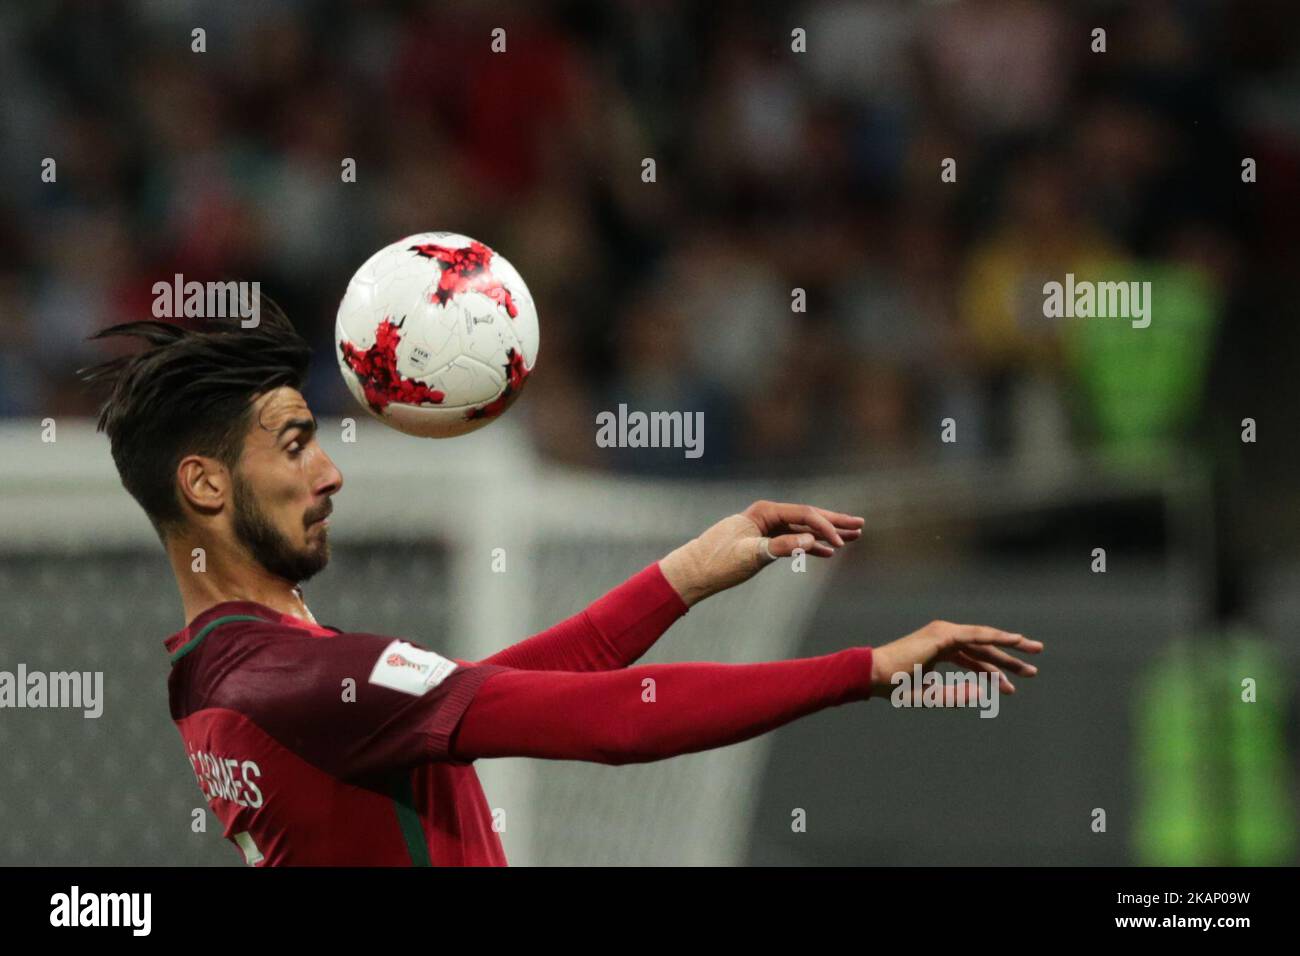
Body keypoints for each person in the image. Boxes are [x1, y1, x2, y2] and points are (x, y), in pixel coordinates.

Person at [79, 307, 1042, 866]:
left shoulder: (230, 671)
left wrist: (681, 578)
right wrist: (865, 668)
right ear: (204, 484)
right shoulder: (290, 678)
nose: (330, 473)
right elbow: (612, 722)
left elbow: (505, 698)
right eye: (295, 445)